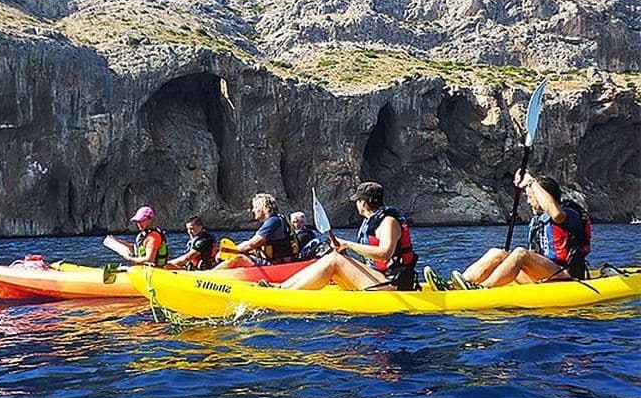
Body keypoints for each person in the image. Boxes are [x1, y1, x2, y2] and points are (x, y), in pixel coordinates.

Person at [424, 170, 591, 291]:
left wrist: (531, 182)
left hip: (564, 275)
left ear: (543, 196)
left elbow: (556, 214)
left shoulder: (568, 214)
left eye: (530, 196)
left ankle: (482, 289)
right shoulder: (538, 220)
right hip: (541, 274)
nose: (528, 200)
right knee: (498, 253)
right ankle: (453, 286)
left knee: (520, 253)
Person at [278, 182, 418, 291]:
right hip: (380, 276)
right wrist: (344, 250)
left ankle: (287, 295)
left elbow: (385, 254)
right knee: (334, 256)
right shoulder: (372, 221)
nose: (356, 204)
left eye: (358, 200)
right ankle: (283, 287)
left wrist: (348, 244)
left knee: (335, 260)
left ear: (363, 202)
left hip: (392, 282)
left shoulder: (388, 222)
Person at [213, 193, 300, 268]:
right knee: (246, 254)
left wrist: (228, 251)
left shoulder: (273, 221)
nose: (253, 210)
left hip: (276, 265)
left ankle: (210, 277)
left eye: (255, 207)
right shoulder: (280, 219)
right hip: (283, 262)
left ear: (263, 208)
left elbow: (252, 244)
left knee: (239, 258)